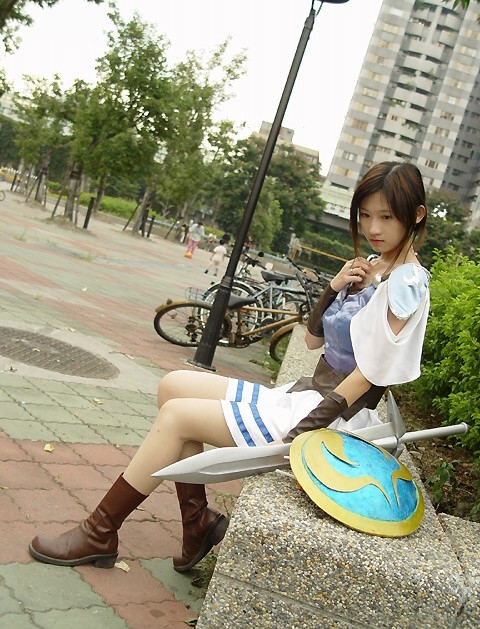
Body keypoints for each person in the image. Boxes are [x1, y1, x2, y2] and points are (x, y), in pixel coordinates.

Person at [29, 161, 430, 573]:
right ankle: (197, 522)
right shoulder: (372, 267)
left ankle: (100, 531)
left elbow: (367, 375)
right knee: (173, 385)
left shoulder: (406, 283)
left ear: (415, 215)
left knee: (177, 416)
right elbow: (313, 342)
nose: (373, 227)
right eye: (365, 215)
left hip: (333, 419)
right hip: (307, 392)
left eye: (386, 217)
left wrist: (301, 433)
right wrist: (333, 287)